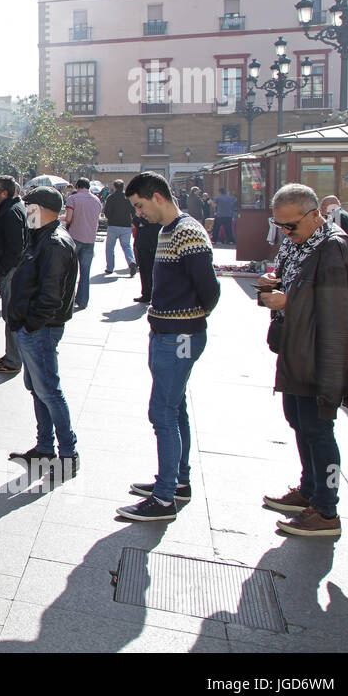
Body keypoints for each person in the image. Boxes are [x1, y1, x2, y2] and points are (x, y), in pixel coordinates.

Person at [257, 184, 348, 538]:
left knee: (318, 428)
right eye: (279, 225)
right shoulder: (301, 241)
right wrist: (273, 284)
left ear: (315, 215)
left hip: (320, 354)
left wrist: (289, 303)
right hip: (296, 349)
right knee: (299, 420)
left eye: (291, 226)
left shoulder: (335, 248)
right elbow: (294, 282)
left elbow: (338, 311)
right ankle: (310, 490)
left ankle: (327, 511)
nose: (285, 232)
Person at [117, 172, 220, 521]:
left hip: (179, 336)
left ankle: (163, 499)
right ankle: (177, 482)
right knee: (174, 410)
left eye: (140, 205)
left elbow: (210, 290)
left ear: (157, 197)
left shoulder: (187, 232)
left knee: (162, 411)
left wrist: (187, 320)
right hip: (170, 333)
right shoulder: (168, 230)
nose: (138, 213)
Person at [6, 186, 79, 476]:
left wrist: (30, 325)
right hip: (34, 328)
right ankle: (45, 448)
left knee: (48, 390)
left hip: (42, 329)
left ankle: (68, 453)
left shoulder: (54, 243)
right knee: (38, 389)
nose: (26, 212)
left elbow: (51, 295)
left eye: (29, 206)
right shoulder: (42, 237)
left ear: (42, 209)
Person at [0, 175, 27, 374]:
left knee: (11, 317)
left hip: (10, 271)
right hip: (9, 269)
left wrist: (4, 270)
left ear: (5, 193)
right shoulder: (11, 209)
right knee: (9, 316)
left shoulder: (11, 212)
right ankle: (11, 354)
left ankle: (13, 359)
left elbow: (16, 247)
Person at [62, 177, 102, 309]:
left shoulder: (73, 199)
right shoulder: (97, 200)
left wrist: (60, 218)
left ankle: (68, 299)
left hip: (74, 238)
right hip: (90, 239)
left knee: (70, 272)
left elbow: (68, 218)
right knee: (85, 273)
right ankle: (83, 301)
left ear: (77, 186)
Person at [101, 179, 136, 276]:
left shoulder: (110, 197)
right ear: (123, 187)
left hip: (113, 225)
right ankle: (131, 262)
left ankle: (110, 268)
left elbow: (107, 212)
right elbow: (133, 211)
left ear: (115, 187)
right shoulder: (128, 198)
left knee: (110, 247)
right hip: (126, 226)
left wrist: (110, 217)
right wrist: (133, 221)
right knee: (126, 246)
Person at [132, 210, 161, 304]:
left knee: (150, 271)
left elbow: (147, 224)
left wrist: (141, 221)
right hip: (141, 244)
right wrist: (139, 219)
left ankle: (152, 294)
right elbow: (136, 222)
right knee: (143, 270)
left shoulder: (155, 211)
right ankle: (146, 294)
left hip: (150, 245)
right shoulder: (143, 211)